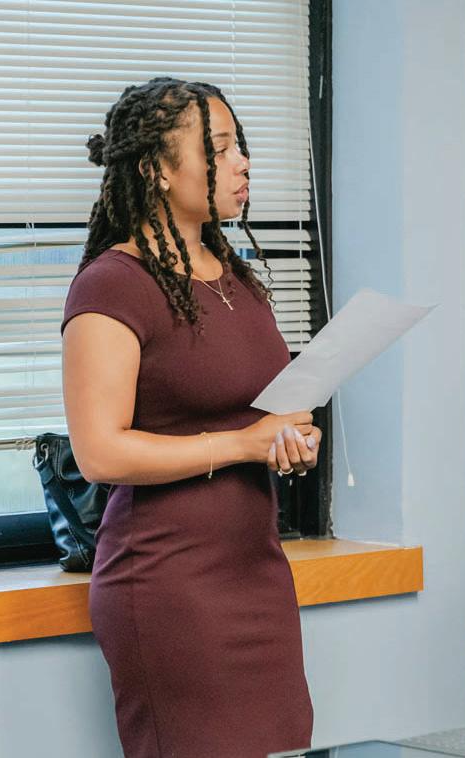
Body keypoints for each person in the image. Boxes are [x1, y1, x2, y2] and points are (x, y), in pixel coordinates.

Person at [61, 78, 319, 756]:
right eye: (220, 149)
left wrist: (289, 440)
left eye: (241, 147)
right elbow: (100, 453)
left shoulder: (235, 275)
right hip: (169, 587)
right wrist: (244, 444)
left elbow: (253, 417)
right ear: (156, 169)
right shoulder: (112, 284)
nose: (243, 163)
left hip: (257, 573)